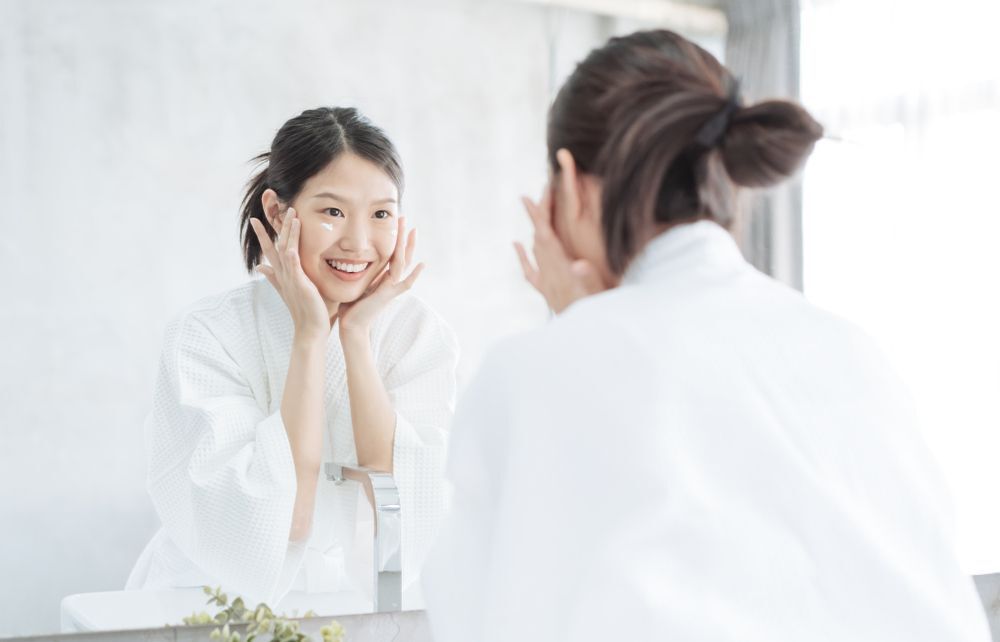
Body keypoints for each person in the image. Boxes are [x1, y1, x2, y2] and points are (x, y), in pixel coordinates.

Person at [423, 30, 990, 641]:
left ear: (569, 181)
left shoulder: (537, 373)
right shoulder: (850, 350)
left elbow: (478, 614)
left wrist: (579, 325)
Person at [126, 107, 458, 605]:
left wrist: (357, 337)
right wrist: (309, 336)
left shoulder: (417, 333)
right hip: (207, 599)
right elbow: (279, 522)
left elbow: (410, 518)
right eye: (333, 212)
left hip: (358, 604)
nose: (359, 242)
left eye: (381, 214)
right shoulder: (205, 336)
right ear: (279, 212)